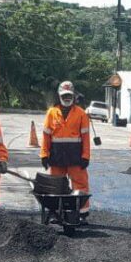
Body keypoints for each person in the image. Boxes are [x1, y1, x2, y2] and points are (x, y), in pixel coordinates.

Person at [41, 81, 91, 213]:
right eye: (64, 95)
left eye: (69, 95)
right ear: (59, 96)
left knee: (80, 185)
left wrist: (86, 156)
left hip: (76, 157)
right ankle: (56, 212)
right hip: (56, 157)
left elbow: (86, 137)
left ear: (74, 96)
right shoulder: (51, 113)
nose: (67, 98)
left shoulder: (81, 114)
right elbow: (46, 136)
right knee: (56, 186)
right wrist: (44, 155)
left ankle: (82, 212)